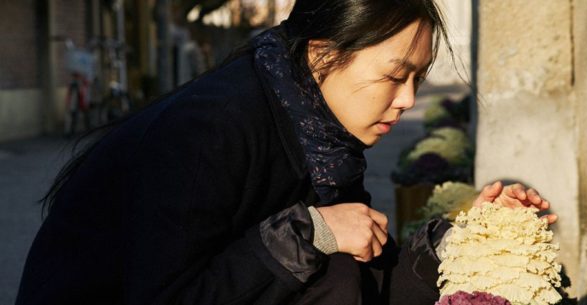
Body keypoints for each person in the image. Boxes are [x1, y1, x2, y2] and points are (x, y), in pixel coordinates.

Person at [16, 1, 557, 304]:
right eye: (394, 77)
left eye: (418, 78)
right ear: (323, 55)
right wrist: (312, 232)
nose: (408, 100)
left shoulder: (322, 139)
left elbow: (373, 274)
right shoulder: (209, 133)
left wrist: (470, 241)